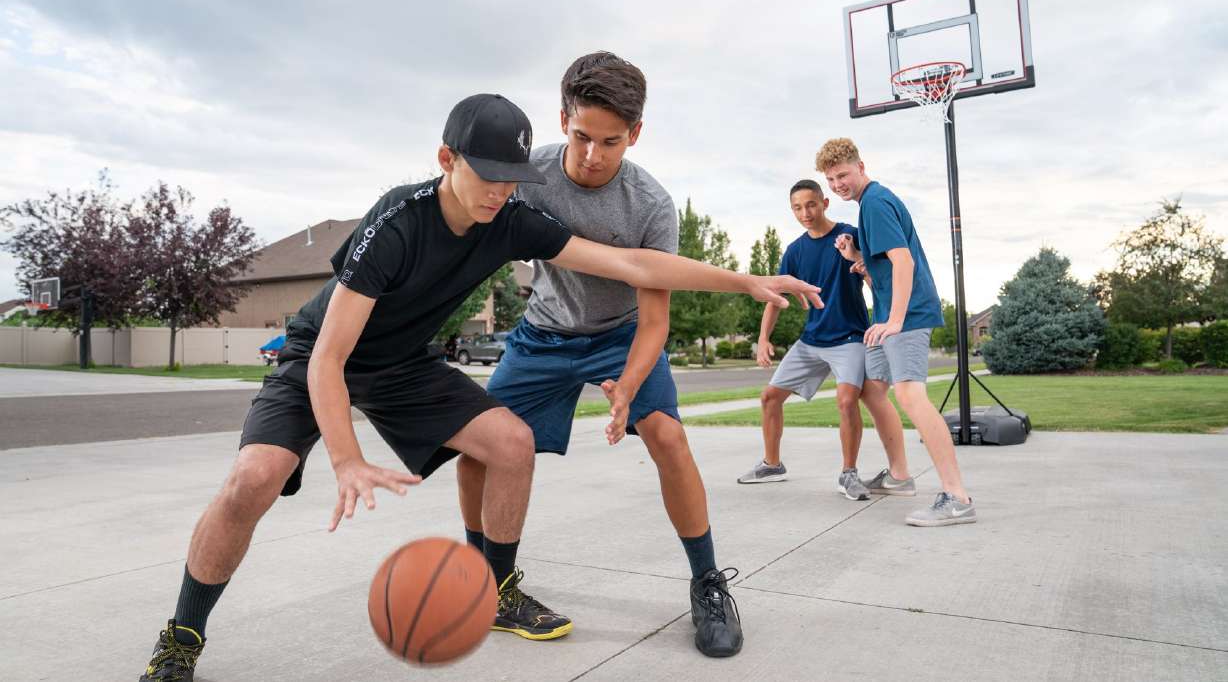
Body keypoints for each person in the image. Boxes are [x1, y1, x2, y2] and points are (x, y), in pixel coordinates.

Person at [139, 93, 820, 681]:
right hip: (319, 356)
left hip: (405, 364)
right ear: (446, 160)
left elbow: (628, 262)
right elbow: (329, 359)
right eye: (486, 175)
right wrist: (345, 458)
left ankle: (495, 589)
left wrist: (744, 280)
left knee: (509, 441)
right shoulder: (396, 223)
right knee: (252, 479)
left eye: (510, 179)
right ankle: (181, 636)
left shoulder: (512, 222)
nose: (499, 191)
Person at [456, 52, 749, 658]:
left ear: (635, 134)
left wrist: (626, 395)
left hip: (620, 336)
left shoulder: (650, 205)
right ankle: (487, 577)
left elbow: (657, 319)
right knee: (478, 445)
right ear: (563, 118)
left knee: (668, 437)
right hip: (541, 332)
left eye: (610, 142)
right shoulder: (526, 172)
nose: (593, 155)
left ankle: (708, 584)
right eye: (583, 136)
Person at [817, 137, 976, 527]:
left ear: (860, 166)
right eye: (831, 179)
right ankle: (900, 476)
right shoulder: (868, 206)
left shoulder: (875, 202)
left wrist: (897, 320)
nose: (837, 184)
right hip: (887, 314)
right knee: (873, 389)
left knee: (909, 393)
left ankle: (957, 497)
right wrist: (858, 260)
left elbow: (903, 262)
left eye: (842, 174)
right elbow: (887, 266)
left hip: (907, 315)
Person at [737, 180, 912, 502]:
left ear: (825, 203)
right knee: (769, 398)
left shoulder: (849, 235)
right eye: (797, 207)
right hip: (812, 339)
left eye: (811, 204)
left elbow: (880, 281)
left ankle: (849, 474)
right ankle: (772, 464)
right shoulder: (795, 251)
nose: (805, 212)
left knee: (847, 401)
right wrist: (763, 338)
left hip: (849, 338)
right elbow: (773, 296)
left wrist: (858, 263)